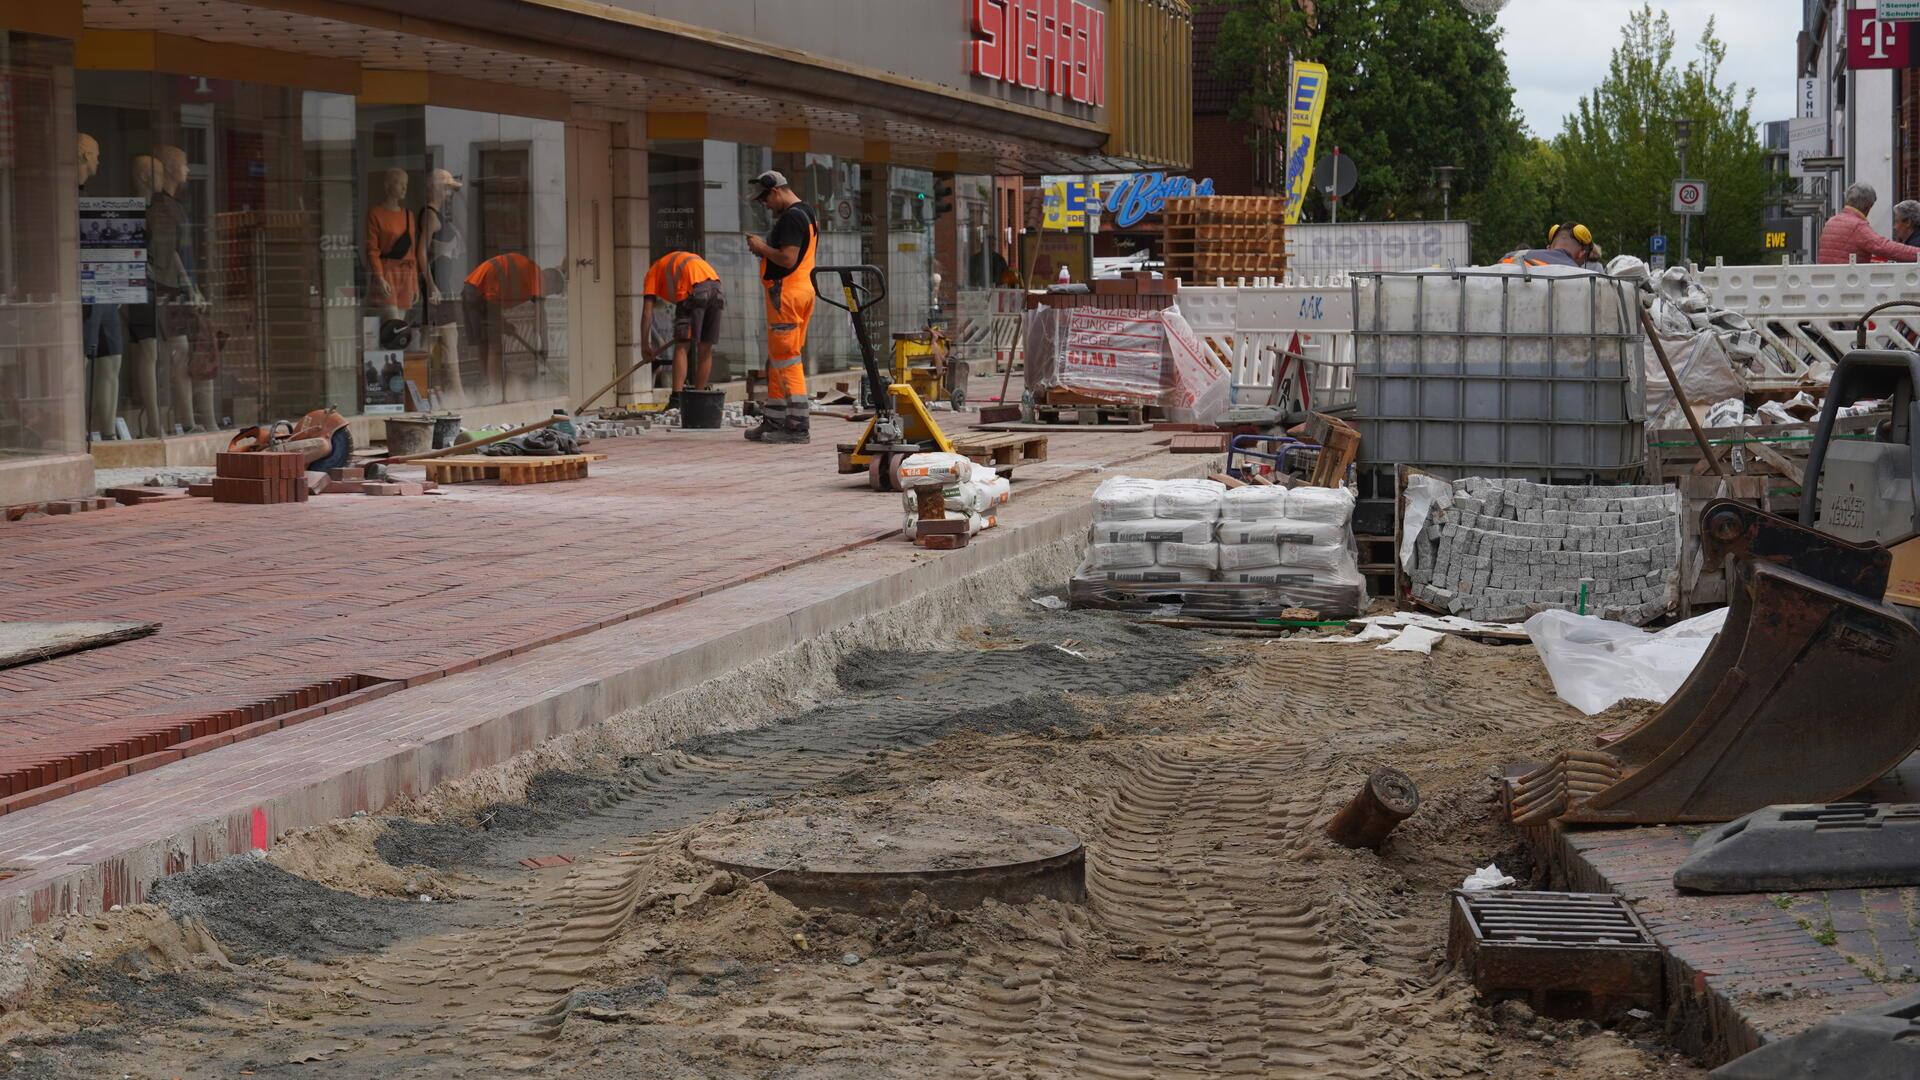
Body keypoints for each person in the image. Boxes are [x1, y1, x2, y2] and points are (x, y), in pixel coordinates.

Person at [742, 170, 818, 444]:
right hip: (800, 290)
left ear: (775, 191)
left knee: (787, 358)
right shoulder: (806, 213)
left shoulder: (792, 217)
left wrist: (762, 247)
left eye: (765, 199)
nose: (765, 205)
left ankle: (797, 425)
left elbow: (787, 258)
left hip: (786, 294)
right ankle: (774, 418)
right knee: (779, 358)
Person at [463, 252, 565, 401]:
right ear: (551, 281)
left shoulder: (531, 274)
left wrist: (504, 324)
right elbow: (540, 317)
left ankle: (489, 387)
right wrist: (545, 348)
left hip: (472, 286)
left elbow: (494, 307)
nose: (548, 294)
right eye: (553, 291)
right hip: (483, 289)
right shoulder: (539, 278)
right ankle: (495, 392)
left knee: (484, 343)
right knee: (494, 345)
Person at [640, 249, 724, 411]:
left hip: (693, 290)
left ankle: (676, 400)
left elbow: (647, 312)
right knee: (705, 348)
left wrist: (645, 345)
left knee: (682, 346)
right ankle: (699, 401)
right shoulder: (674, 263)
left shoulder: (652, 273)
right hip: (717, 288)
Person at [1817, 184, 1920, 264]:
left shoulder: (1830, 222)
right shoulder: (1857, 226)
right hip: (1849, 284)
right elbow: (1883, 247)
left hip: (1829, 283)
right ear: (1868, 206)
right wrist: (1918, 253)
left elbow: (1841, 256)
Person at [1501, 223, 1599, 268]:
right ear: (1581, 254)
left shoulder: (1510, 257)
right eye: (1582, 263)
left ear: (1548, 248)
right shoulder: (1581, 277)